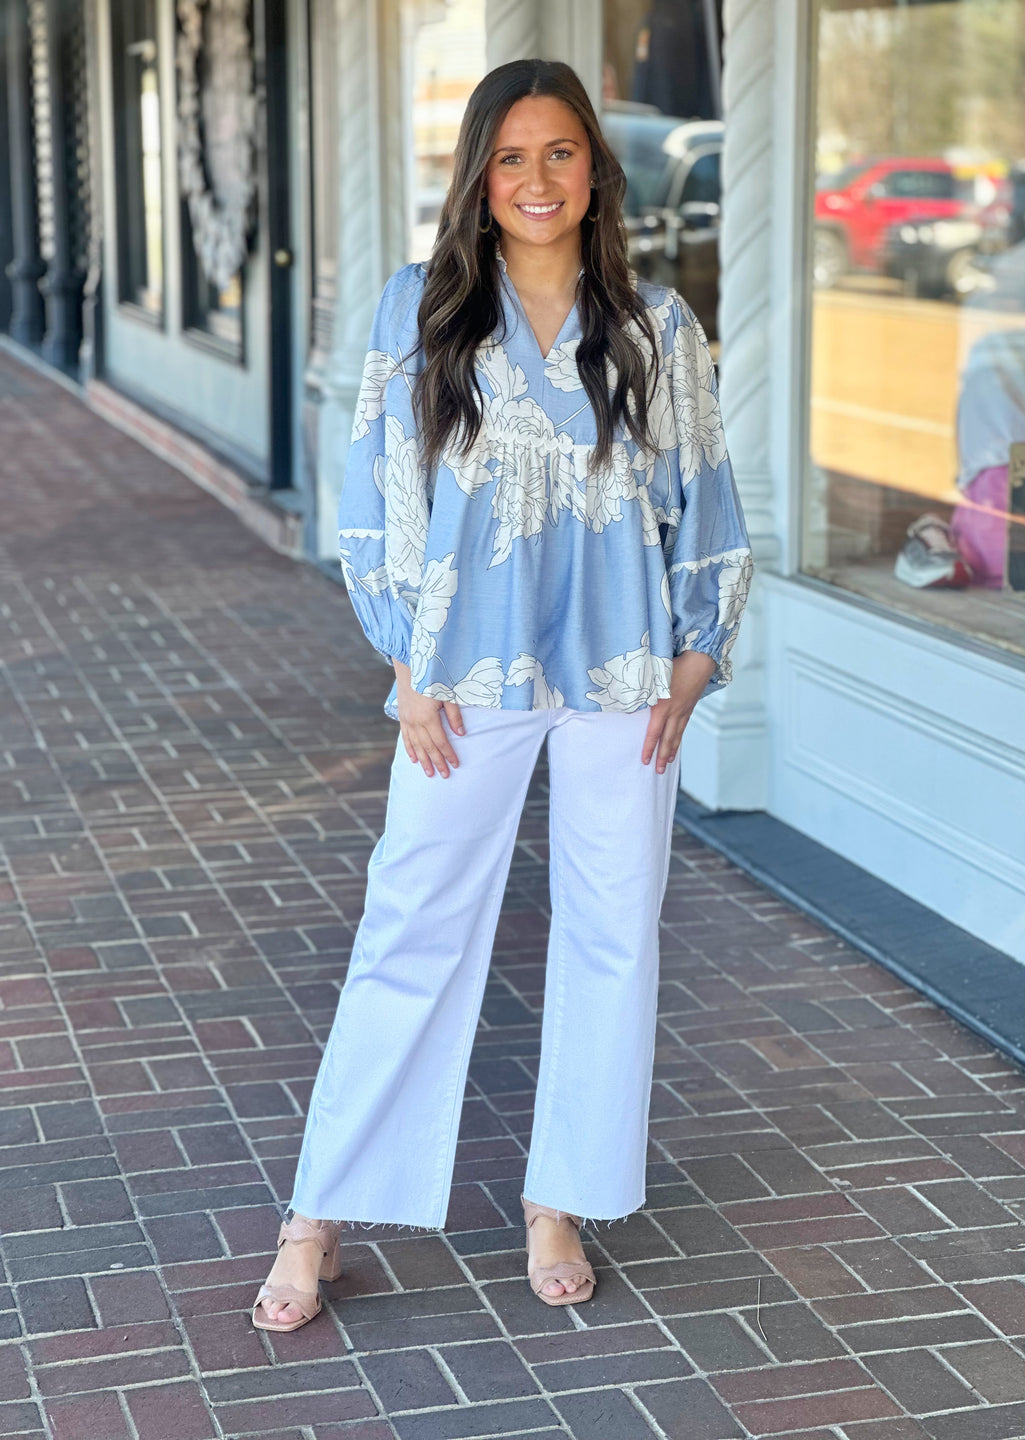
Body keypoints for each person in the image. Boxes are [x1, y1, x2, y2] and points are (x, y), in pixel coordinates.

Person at [251, 57, 752, 1333]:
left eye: (562, 153)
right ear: (478, 176)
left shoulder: (658, 326)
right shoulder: (418, 311)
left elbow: (704, 488)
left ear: (598, 171)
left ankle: (561, 1198)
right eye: (512, 156)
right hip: (462, 680)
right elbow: (376, 501)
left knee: (611, 933)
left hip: (625, 676)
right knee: (409, 927)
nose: (538, 179)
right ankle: (316, 1214)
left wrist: (699, 656)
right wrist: (404, 669)